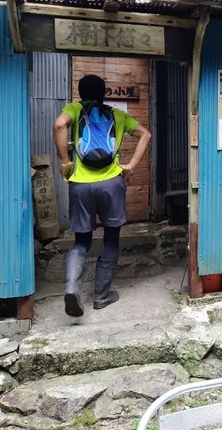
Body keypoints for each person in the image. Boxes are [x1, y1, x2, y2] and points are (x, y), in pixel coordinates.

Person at [53, 74, 151, 317]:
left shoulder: (74, 109)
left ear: (80, 93)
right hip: (111, 184)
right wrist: (131, 166)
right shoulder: (117, 114)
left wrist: (64, 162)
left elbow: (59, 125)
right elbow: (146, 134)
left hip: (80, 185)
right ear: (103, 93)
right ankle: (101, 296)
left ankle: (72, 287)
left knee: (81, 241)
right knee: (111, 238)